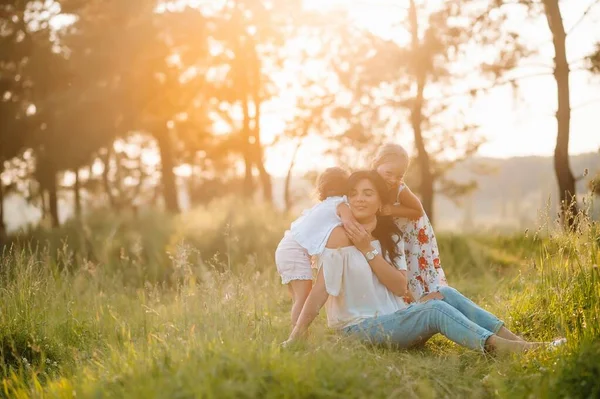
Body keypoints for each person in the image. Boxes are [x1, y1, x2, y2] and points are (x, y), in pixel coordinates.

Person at [283, 170, 548, 354]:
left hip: (394, 318)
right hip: (358, 328)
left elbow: (400, 286)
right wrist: (296, 335)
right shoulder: (338, 238)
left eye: (367, 193)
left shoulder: (390, 238)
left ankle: (518, 341)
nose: (359, 199)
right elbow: (320, 291)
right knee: (433, 310)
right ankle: (499, 348)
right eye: (353, 193)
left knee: (444, 293)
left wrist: (368, 250)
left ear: (380, 201)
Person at [373, 143, 447, 300]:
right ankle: (404, 301)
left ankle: (426, 299)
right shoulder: (369, 185)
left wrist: (392, 210)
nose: (393, 179)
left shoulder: (400, 189)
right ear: (376, 164)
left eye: (399, 176)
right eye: (389, 172)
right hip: (394, 235)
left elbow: (418, 211)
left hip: (413, 234)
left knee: (414, 268)